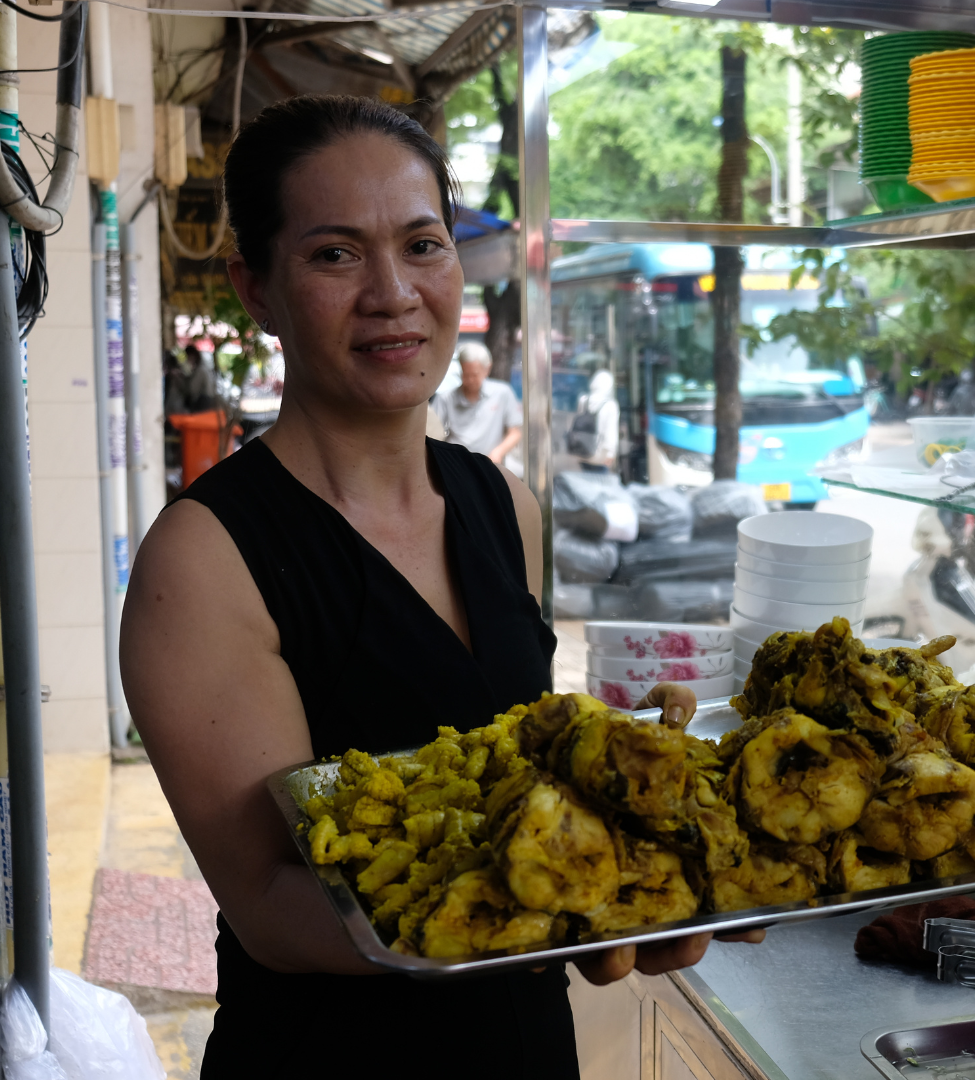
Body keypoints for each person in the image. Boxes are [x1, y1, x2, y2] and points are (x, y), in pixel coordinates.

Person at [118, 96, 757, 1078]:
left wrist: (643, 878)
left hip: (525, 1049)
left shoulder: (506, 506)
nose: (393, 293)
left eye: (423, 245)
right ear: (257, 289)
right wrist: (562, 914)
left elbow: (519, 781)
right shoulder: (203, 562)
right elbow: (273, 904)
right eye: (335, 255)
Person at [432, 340, 522, 463]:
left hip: (490, 463)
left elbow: (515, 433)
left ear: (487, 369)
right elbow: (432, 436)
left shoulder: (503, 393)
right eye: (465, 374)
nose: (469, 380)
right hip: (457, 463)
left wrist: (498, 452)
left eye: (474, 375)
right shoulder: (445, 398)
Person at [569, 368, 620, 473]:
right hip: (600, 456)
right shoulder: (611, 405)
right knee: (600, 484)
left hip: (582, 451)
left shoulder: (583, 400)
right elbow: (610, 433)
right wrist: (610, 454)